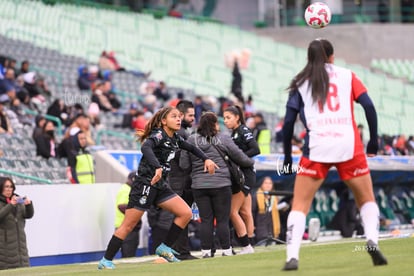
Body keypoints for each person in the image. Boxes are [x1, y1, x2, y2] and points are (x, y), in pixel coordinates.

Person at [281, 39, 387, 271]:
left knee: (299, 205)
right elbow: (369, 107)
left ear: (309, 57)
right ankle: (371, 240)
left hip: (317, 147)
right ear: (331, 56)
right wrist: (374, 140)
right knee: (366, 199)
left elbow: (288, 123)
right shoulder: (348, 75)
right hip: (348, 145)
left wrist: (288, 156)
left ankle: (292, 257)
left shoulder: (300, 83)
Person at [98, 107, 218, 269]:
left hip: (160, 186)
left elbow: (191, 148)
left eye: (179, 116)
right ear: (163, 121)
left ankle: (165, 248)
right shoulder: (158, 135)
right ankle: (106, 260)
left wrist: (206, 159)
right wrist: (157, 167)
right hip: (145, 185)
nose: (178, 119)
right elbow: (145, 148)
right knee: (128, 225)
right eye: (174, 116)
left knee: (185, 213)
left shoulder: (175, 138)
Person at [180, 112, 254, 258]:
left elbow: (184, 164)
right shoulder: (223, 138)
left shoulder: (191, 139)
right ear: (215, 124)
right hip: (221, 184)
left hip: (199, 186)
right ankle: (226, 250)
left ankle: (206, 252)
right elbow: (240, 157)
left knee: (206, 219)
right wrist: (250, 163)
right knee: (222, 219)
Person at [148, 100, 197, 260]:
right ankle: (179, 251)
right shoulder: (181, 134)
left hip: (172, 181)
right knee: (180, 217)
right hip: (178, 183)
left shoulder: (172, 133)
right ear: (181, 115)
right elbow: (183, 163)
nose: (193, 118)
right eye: (190, 115)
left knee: (180, 216)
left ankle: (175, 250)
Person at [223, 105, 260, 253]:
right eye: (224, 118)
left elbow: (256, 149)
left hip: (245, 176)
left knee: (232, 212)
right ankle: (250, 243)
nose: (225, 121)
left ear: (237, 117)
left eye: (228, 117)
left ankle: (247, 245)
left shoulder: (243, 130)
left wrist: (239, 158)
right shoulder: (234, 134)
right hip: (242, 175)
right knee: (245, 212)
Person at [0, 177, 34, 270]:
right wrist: (11, 205)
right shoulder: (11, 203)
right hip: (4, 252)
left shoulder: (18, 201)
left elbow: (28, 215)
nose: (9, 189)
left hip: (21, 250)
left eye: (11, 187)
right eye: (6, 186)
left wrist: (29, 205)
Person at [115, 172, 142, 257]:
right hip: (126, 226)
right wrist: (135, 213)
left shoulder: (128, 189)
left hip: (127, 226)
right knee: (128, 254)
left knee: (130, 252)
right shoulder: (126, 190)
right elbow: (122, 206)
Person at [251, 176, 281, 244]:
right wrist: (251, 224)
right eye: (266, 183)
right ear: (261, 184)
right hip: (261, 228)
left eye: (270, 183)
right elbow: (252, 212)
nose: (268, 185)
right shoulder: (256, 196)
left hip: (273, 229)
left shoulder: (275, 197)